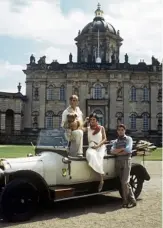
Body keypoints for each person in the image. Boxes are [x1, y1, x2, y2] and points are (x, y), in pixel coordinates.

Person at [110, 124, 137, 208]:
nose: (120, 131)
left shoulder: (128, 139)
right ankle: (132, 200)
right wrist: (122, 149)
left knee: (125, 182)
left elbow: (128, 150)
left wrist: (118, 151)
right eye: (119, 130)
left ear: (124, 130)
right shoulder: (115, 141)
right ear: (117, 131)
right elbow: (112, 151)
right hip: (118, 162)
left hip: (126, 161)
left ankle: (125, 201)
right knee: (123, 182)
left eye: (122, 130)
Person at [84, 113, 107, 192]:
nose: (92, 121)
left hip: (100, 147)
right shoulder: (88, 128)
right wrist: (85, 121)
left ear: (97, 120)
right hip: (91, 147)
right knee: (91, 155)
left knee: (99, 157)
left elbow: (104, 139)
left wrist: (98, 146)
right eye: (91, 120)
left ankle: (101, 180)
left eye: (94, 119)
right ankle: (101, 176)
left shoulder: (101, 128)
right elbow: (79, 129)